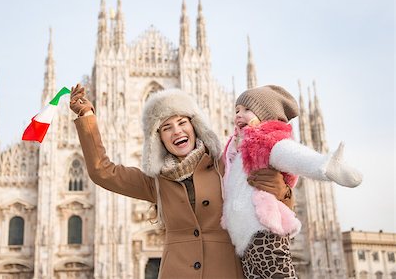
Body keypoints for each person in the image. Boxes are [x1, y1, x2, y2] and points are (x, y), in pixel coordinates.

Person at [70, 84, 294, 279]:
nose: (176, 131)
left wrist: (282, 191)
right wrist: (86, 117)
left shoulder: (224, 165)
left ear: (194, 127)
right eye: (166, 127)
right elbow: (102, 171)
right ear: (159, 139)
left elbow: (267, 204)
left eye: (181, 122)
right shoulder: (156, 182)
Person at [221, 84, 363, 279]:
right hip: (242, 243)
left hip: (266, 234)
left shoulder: (265, 142)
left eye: (246, 110)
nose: (238, 115)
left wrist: (325, 166)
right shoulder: (233, 149)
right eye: (237, 110)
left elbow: (292, 155)